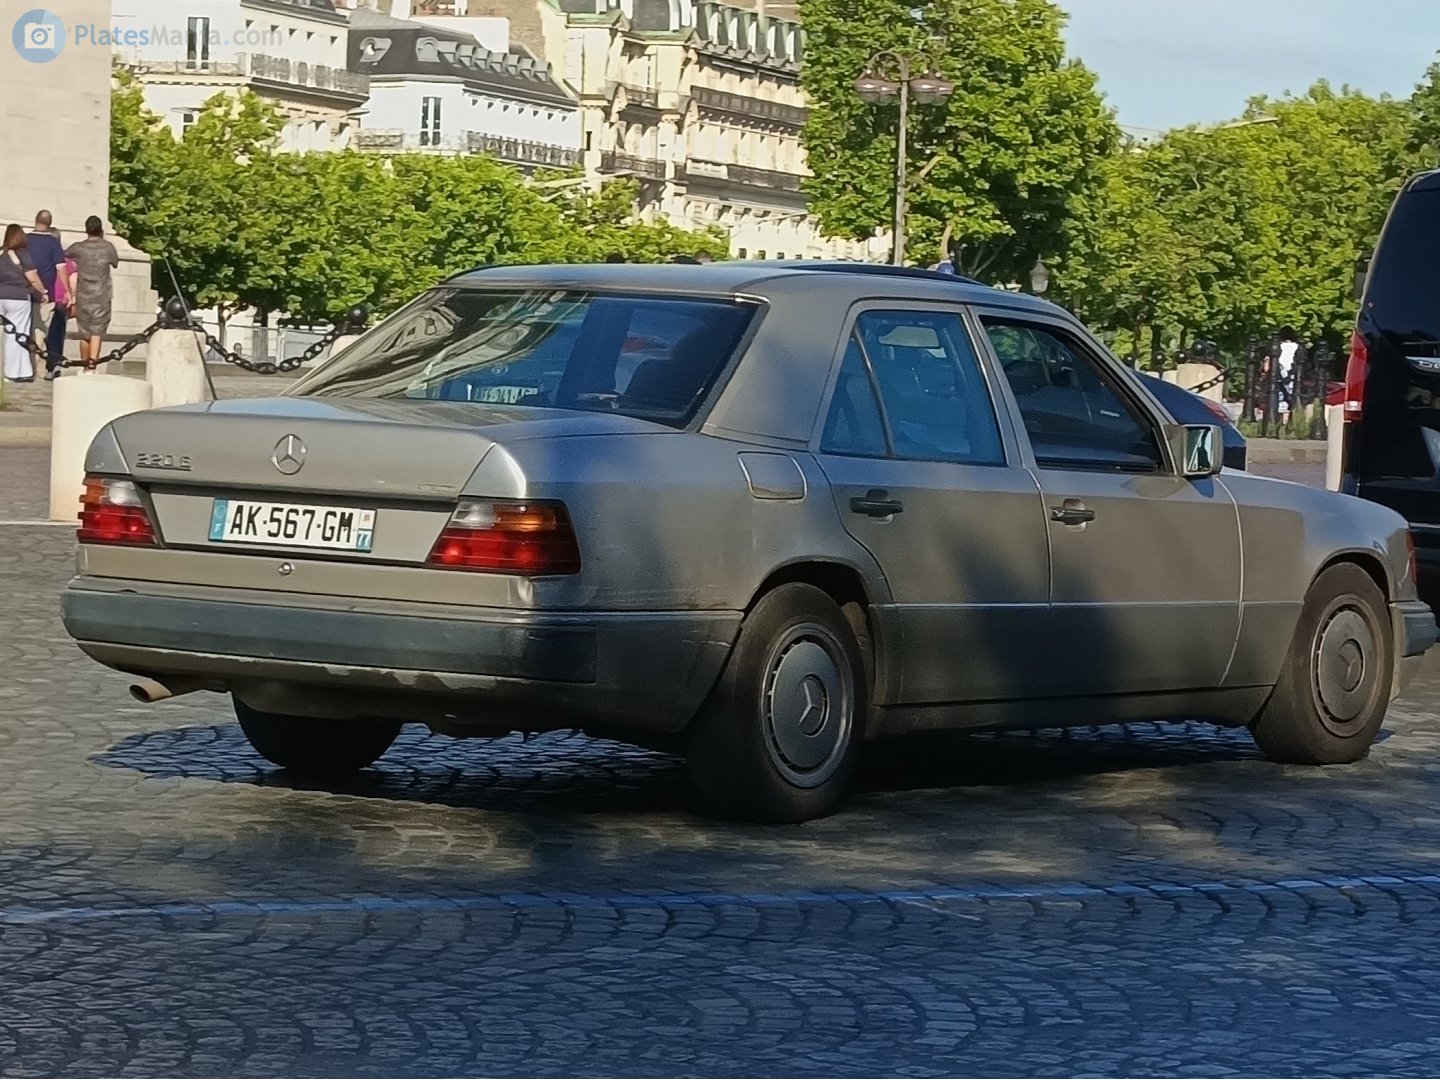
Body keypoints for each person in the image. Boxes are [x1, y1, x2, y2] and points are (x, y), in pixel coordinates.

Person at [66, 216, 119, 366]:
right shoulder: (108, 247)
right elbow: (115, 262)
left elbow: (65, 254)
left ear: (86, 230)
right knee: (97, 331)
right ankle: (92, 364)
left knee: (84, 332)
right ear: (101, 230)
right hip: (101, 294)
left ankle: (84, 365)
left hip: (83, 294)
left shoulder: (78, 248)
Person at [0, 223, 46, 382]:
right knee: (19, 334)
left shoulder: (1, 253)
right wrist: (43, 291)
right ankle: (15, 372)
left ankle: (14, 369)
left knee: (6, 334)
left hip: (1, 297)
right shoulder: (23, 254)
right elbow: (32, 277)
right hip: (18, 297)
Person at [26, 211, 65, 374]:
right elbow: (61, 268)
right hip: (45, 293)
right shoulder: (53, 243)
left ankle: (26, 365)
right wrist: (68, 292)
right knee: (40, 331)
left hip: (24, 291)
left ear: (35, 221)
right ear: (50, 223)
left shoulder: (25, 240)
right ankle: (35, 366)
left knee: (25, 330)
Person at [45, 245, 76, 379]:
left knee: (44, 336)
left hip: (46, 300)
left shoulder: (45, 260)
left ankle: (48, 367)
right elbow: (73, 281)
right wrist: (72, 296)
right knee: (57, 336)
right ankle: (55, 366)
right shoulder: (69, 264)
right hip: (62, 302)